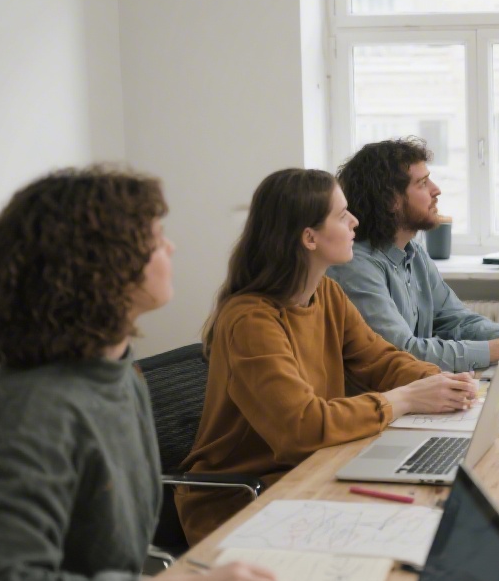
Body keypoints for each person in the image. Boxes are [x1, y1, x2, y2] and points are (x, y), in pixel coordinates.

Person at [0, 167, 278, 581]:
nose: (171, 247)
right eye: (156, 238)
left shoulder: (118, 373)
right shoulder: (32, 409)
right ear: (100, 264)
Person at [176, 169, 478, 545]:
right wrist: (404, 399)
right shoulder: (251, 320)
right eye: (341, 215)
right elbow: (302, 428)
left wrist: (437, 381)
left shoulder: (327, 294)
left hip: (311, 472)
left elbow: (381, 360)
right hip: (243, 500)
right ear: (309, 238)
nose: (354, 222)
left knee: (431, 521)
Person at [328, 138, 499, 372]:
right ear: (391, 200)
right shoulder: (355, 266)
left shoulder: (414, 253)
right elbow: (402, 352)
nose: (436, 190)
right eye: (422, 183)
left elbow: (456, 321)